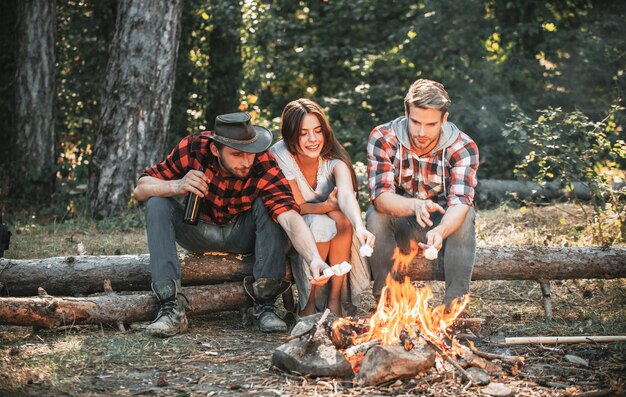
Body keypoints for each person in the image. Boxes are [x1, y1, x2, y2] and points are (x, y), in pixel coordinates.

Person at [134, 112, 330, 337]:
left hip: (242, 234)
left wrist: (313, 258)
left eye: (250, 153)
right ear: (216, 150)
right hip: (198, 230)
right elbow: (141, 188)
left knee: (272, 207)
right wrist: (177, 185)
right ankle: (170, 308)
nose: (246, 162)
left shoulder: (263, 161)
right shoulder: (193, 148)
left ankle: (265, 305)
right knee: (157, 203)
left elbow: (288, 215)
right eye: (237, 154)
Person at [366, 79, 479, 307]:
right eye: (415, 122)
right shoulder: (383, 138)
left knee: (466, 216)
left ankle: (453, 309)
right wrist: (414, 205)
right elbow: (381, 197)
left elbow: (460, 202)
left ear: (444, 120)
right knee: (375, 214)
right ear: (406, 112)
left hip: (443, 225)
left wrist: (441, 229)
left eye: (430, 124)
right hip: (400, 220)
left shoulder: (463, 147)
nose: (421, 132)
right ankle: (387, 302)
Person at [270, 99, 375, 317]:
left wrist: (360, 226)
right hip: (294, 228)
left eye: (318, 131)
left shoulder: (334, 159)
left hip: (333, 226)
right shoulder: (281, 154)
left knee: (342, 219)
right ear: (291, 135)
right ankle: (308, 304)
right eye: (303, 133)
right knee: (323, 222)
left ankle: (334, 300)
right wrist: (327, 206)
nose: (312, 139)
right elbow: (296, 206)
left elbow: (346, 195)